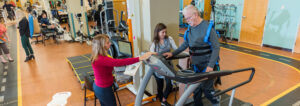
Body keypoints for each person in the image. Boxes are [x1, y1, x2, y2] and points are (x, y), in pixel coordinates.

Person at [163, 5, 220, 106]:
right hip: (196, 65)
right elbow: (185, 44)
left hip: (207, 65)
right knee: (196, 90)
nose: (187, 20)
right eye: (185, 18)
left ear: (196, 14)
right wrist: (172, 53)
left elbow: (216, 48)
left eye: (188, 17)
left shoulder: (208, 28)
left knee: (207, 90)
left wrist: (210, 66)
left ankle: (216, 102)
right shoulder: (190, 28)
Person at [91, 34, 156, 106]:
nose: (110, 43)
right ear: (102, 46)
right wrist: (140, 58)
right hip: (103, 89)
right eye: (107, 42)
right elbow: (120, 62)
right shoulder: (101, 59)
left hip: (99, 87)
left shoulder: (98, 55)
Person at [149, 23, 177, 106]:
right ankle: (162, 100)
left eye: (165, 32)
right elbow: (151, 55)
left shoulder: (169, 39)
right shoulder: (154, 43)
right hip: (158, 67)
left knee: (169, 84)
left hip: (168, 66)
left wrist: (171, 53)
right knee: (160, 86)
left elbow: (176, 49)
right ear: (157, 32)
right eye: (162, 32)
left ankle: (164, 100)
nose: (165, 34)